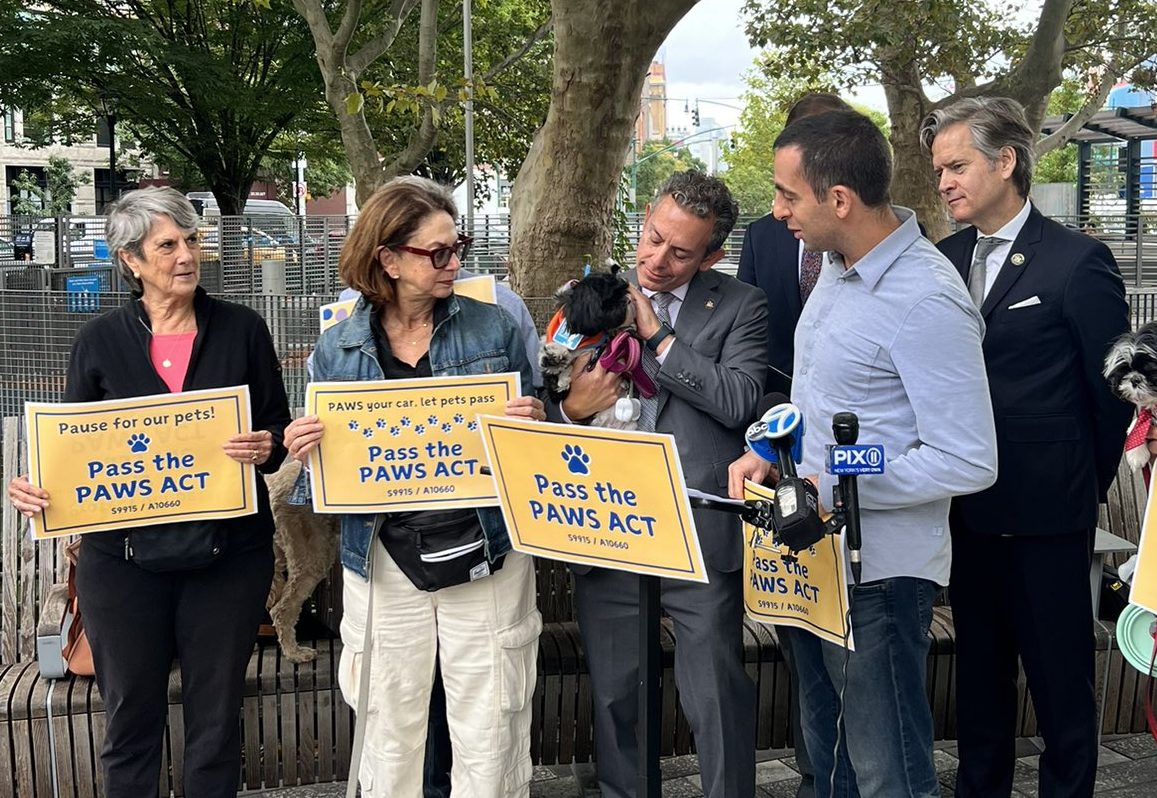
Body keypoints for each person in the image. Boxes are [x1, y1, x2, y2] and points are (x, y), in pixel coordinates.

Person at [732, 109, 998, 797]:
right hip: (814, 561)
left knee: (888, 772)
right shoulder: (838, 271)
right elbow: (825, 405)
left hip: (879, 578)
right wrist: (769, 446)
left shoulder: (926, 298)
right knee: (829, 759)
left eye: (788, 195)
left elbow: (968, 458)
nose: (777, 210)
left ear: (838, 200)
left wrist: (839, 482)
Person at [7, 187, 291, 796]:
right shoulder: (99, 341)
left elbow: (278, 427)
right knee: (131, 721)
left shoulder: (243, 329)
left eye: (192, 241)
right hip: (122, 565)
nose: (186, 255)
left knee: (216, 723)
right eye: (168, 245)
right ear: (132, 260)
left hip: (229, 560)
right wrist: (37, 488)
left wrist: (268, 445)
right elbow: (75, 451)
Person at [282, 176, 545, 798]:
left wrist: (530, 425)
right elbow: (332, 479)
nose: (455, 262)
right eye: (438, 252)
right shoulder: (336, 349)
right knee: (387, 724)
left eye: (459, 246)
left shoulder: (495, 329)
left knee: (492, 723)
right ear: (388, 259)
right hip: (382, 559)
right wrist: (308, 451)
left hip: (484, 550)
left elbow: (539, 446)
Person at [922, 96, 1131, 798]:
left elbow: (1110, 395)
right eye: (938, 169)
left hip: (1048, 518)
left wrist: (1078, 488)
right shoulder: (939, 261)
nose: (944, 181)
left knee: (1059, 689)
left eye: (956, 165)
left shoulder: (1077, 261)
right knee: (978, 686)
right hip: (963, 514)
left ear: (1005, 161)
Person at [550, 170, 768, 798]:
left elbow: (739, 400)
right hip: (609, 524)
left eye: (680, 252)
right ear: (644, 218)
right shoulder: (583, 297)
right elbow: (546, 401)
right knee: (618, 691)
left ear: (712, 256)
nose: (658, 260)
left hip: (698, 531)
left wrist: (658, 338)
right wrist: (575, 410)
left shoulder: (741, 305)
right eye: (652, 240)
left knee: (715, 691)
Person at [735, 91, 853, 798]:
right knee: (799, 628)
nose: (783, 205)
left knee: (849, 648)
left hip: (851, 471)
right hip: (777, 451)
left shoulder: (885, 250)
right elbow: (756, 335)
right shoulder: (762, 233)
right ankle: (817, 777)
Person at [738, 92, 853, 398]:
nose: (780, 211)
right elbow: (743, 333)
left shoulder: (887, 248)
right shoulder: (760, 236)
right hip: (775, 410)